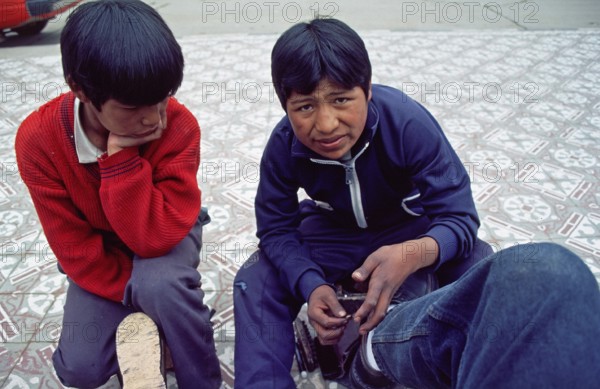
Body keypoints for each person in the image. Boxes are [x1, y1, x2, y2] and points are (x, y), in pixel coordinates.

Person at [233, 17, 600, 389]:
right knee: (255, 276)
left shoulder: (407, 123)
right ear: (285, 106)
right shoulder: (283, 145)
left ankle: (451, 364)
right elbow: (276, 228)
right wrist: (310, 284)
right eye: (305, 107)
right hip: (332, 233)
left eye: (341, 100)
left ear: (368, 90)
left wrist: (412, 255)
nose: (326, 124)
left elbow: (458, 217)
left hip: (408, 226)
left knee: (480, 265)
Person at [15, 1, 221, 388]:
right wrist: (136, 298)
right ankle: (168, 321)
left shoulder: (178, 125)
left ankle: (200, 374)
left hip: (166, 232)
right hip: (99, 253)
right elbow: (74, 248)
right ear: (79, 88)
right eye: (132, 107)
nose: (154, 118)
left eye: (162, 99)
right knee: (80, 369)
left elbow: (156, 236)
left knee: (160, 282)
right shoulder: (37, 141)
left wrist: (122, 158)